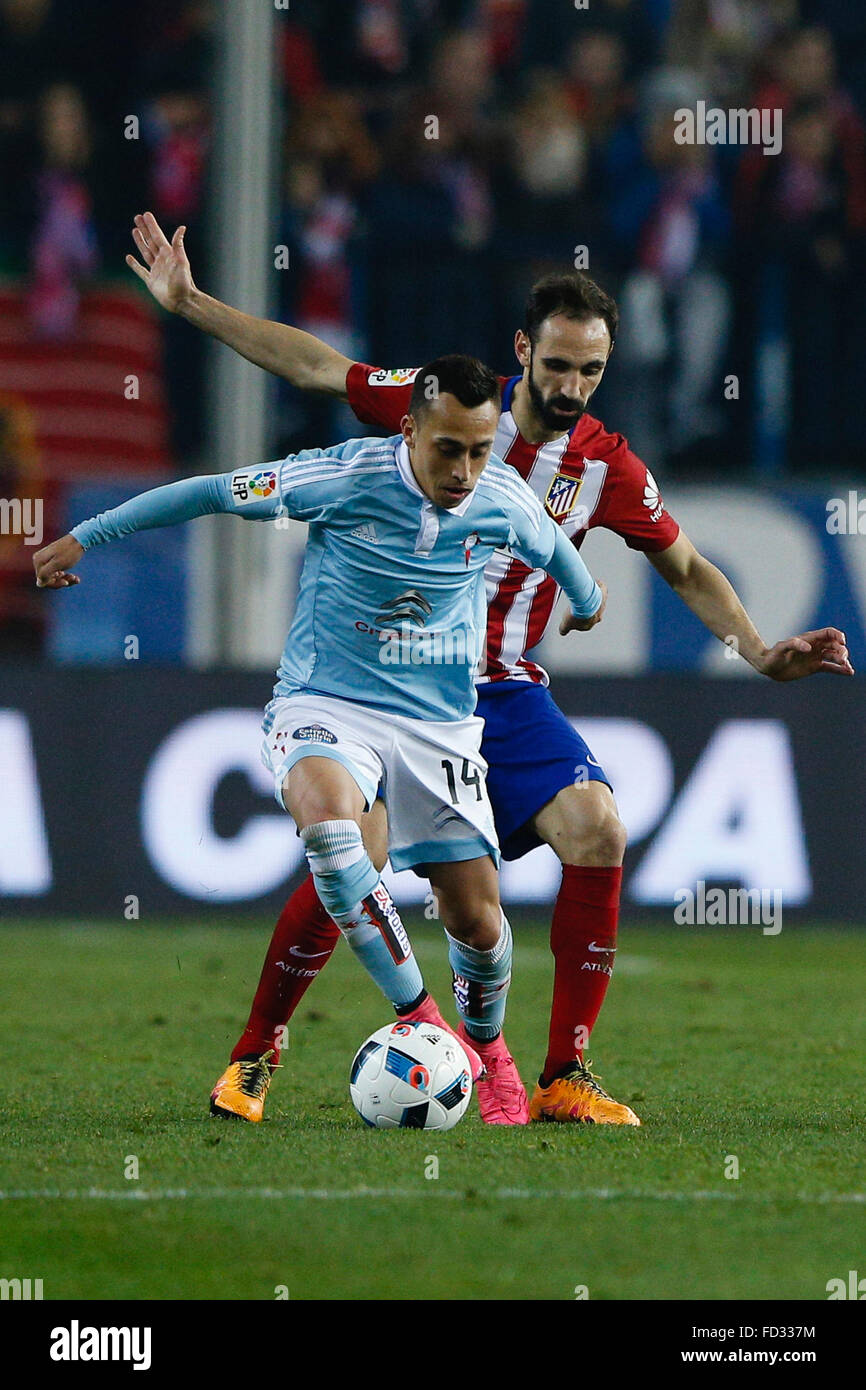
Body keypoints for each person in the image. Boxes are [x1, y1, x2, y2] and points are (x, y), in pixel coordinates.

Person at [125, 214, 854, 1127]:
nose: (572, 387)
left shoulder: (604, 466)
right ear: (523, 351)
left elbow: (687, 566)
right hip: (381, 685)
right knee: (359, 857)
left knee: (597, 827)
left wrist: (756, 648)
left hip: (500, 690)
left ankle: (564, 1076)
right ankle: (256, 1050)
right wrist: (191, 304)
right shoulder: (443, 406)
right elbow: (314, 364)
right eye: (557, 366)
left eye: (591, 371)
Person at [33, 354, 608, 1127]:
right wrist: (86, 536)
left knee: (478, 922)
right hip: (327, 705)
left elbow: (558, 552)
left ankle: (491, 1050)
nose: (465, 469)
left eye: (479, 450)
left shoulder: (501, 498)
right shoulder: (341, 477)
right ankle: (396, 1025)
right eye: (448, 449)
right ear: (409, 430)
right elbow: (210, 492)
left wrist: (587, 600)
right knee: (337, 839)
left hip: (438, 727)